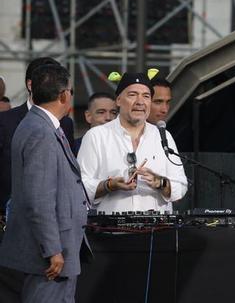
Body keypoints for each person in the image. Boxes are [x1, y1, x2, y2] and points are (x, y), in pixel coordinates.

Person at [0, 64, 89, 303]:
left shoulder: (40, 124)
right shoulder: (40, 131)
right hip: (51, 254)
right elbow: (39, 199)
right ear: (63, 95)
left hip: (58, 247)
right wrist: (52, 249)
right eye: (70, 90)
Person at [77, 71, 188, 213]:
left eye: (146, 96)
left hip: (158, 230)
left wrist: (160, 182)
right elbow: (79, 187)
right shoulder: (96, 136)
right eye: (132, 95)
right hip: (111, 231)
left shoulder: (163, 136)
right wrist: (109, 185)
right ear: (118, 100)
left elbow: (181, 186)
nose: (140, 102)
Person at [0, 57, 75, 212]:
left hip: (55, 212)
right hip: (10, 216)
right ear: (31, 84)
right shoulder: (5, 121)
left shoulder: (66, 124)